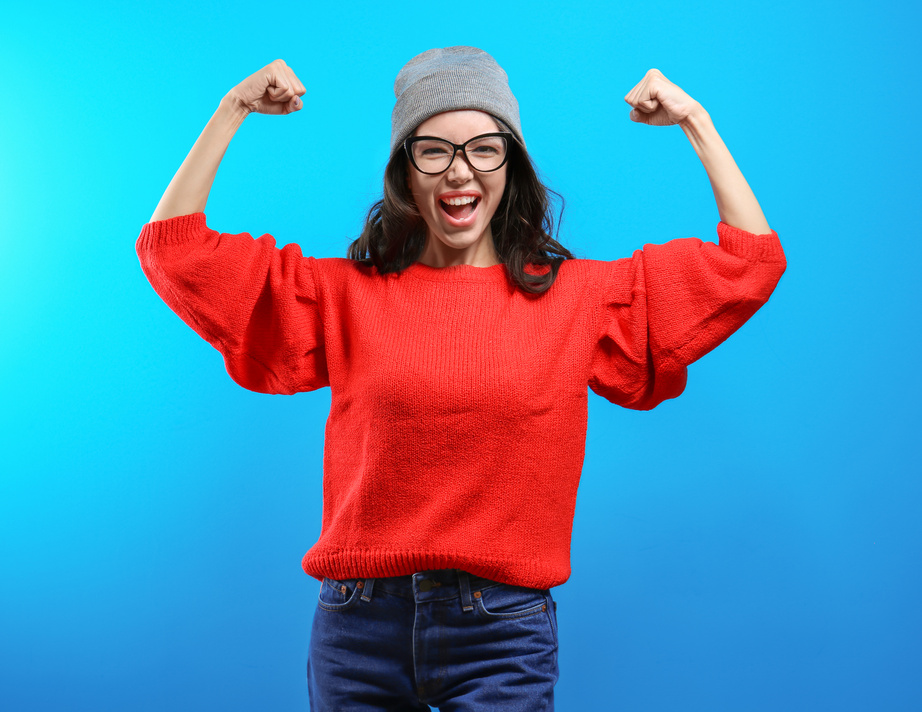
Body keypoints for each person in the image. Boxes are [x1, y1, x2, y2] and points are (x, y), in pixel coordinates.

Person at [137, 47, 786, 711]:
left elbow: (750, 264)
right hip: (360, 623)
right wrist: (232, 108)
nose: (460, 171)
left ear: (512, 163)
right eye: (434, 151)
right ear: (404, 171)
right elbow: (173, 249)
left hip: (502, 630)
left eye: (484, 148)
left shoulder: (581, 298)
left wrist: (695, 121)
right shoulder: (339, 295)